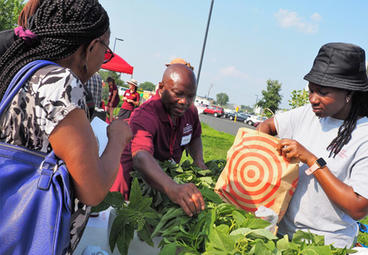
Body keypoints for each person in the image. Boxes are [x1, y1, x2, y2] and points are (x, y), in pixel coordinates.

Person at [0, 0, 132, 251]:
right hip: (28, 237)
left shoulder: (21, 69)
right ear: (91, 46)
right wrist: (117, 139)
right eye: (105, 52)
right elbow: (92, 190)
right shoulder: (60, 83)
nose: (103, 61)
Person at [258, 42, 368, 248]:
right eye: (311, 90)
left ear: (349, 94)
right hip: (281, 234)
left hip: (326, 245)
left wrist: (311, 160)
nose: (313, 99)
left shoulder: (364, 135)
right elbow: (266, 127)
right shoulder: (307, 114)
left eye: (323, 93)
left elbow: (358, 207)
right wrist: (265, 165)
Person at [111, 63, 207, 217]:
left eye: (190, 96)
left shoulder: (190, 111)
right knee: (127, 221)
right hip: (134, 183)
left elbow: (195, 136)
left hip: (162, 184)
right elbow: (141, 157)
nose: (184, 101)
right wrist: (172, 188)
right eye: (178, 93)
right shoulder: (146, 114)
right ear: (161, 88)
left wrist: (199, 161)